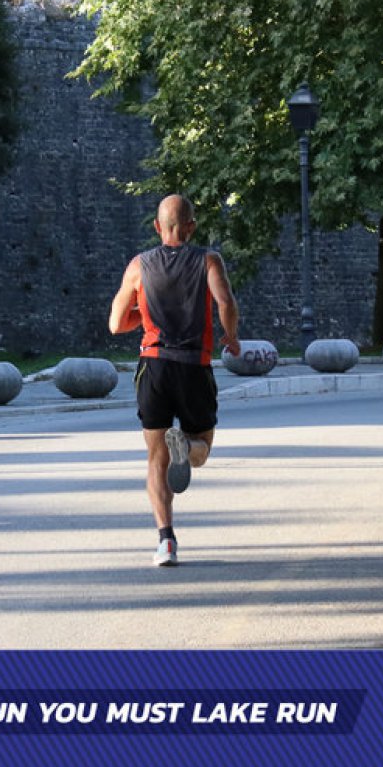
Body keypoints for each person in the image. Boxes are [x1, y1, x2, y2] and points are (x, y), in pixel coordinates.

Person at [108, 194, 240, 566]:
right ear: (191, 227)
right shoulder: (208, 260)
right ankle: (187, 444)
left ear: (157, 226)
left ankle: (165, 541)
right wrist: (231, 336)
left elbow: (116, 323)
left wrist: (146, 314)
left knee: (156, 459)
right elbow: (225, 302)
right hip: (194, 366)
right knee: (202, 448)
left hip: (153, 368)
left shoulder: (138, 265)